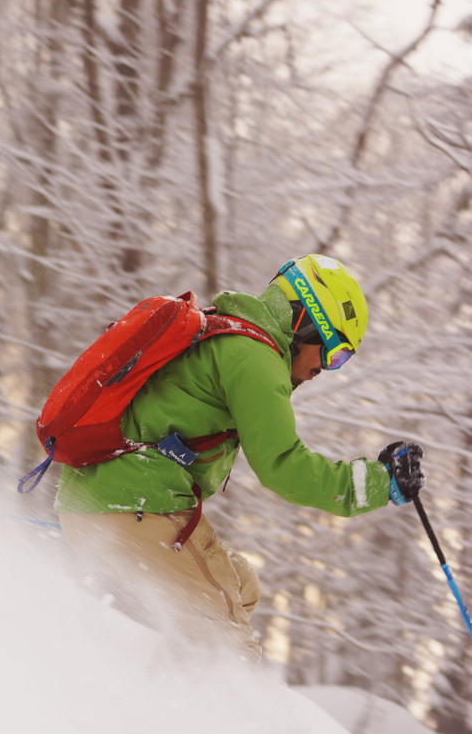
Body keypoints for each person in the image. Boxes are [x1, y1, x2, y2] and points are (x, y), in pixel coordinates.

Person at [55, 254, 424, 658]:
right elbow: (283, 465)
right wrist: (378, 483)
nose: (326, 369)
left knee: (241, 586)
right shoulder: (255, 359)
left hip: (104, 500)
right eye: (334, 354)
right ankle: (239, 716)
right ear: (303, 322)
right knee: (226, 639)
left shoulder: (232, 336)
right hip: (130, 505)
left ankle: (162, 699)